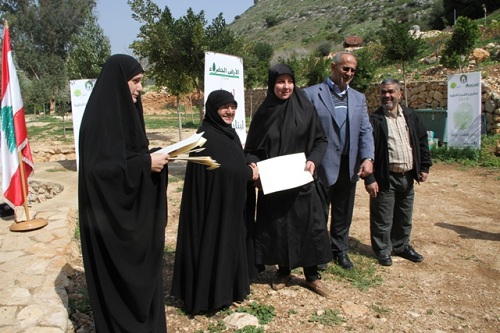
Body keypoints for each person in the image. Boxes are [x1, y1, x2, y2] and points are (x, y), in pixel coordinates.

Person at [78, 54, 170, 332]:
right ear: (119, 82)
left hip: (132, 217)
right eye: (136, 81)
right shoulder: (98, 121)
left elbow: (130, 156)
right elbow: (97, 172)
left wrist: (153, 158)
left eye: (141, 81)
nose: (140, 88)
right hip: (109, 223)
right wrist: (145, 164)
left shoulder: (129, 114)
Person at [245, 63, 332, 297]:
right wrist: (254, 165)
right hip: (274, 183)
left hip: (301, 180)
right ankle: (283, 271)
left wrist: (314, 160)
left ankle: (312, 276)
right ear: (272, 84)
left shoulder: (306, 108)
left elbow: (321, 140)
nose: (285, 87)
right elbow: (251, 149)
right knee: (278, 227)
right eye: (280, 82)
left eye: (289, 81)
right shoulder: (264, 113)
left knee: (308, 226)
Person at [171, 90, 259, 314]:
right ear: (212, 109)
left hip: (226, 205)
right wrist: (248, 174)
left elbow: (235, 158)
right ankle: (209, 297)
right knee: (212, 244)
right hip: (211, 208)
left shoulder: (229, 134)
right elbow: (222, 171)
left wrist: (248, 161)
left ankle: (228, 290)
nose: (230, 111)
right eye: (224, 107)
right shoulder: (205, 136)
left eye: (233, 106)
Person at [303, 51, 375, 270]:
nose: (349, 73)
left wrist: (368, 157)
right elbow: (303, 130)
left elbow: (365, 130)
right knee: (319, 212)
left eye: (353, 70)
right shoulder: (311, 94)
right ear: (333, 67)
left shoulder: (359, 98)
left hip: (349, 164)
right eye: (346, 68)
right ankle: (319, 252)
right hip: (321, 165)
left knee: (344, 213)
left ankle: (340, 250)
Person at [364, 78, 432, 266]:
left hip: (408, 176)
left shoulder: (410, 116)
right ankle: (383, 250)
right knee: (382, 218)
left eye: (391, 92)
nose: (387, 95)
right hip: (385, 177)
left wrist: (424, 166)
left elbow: (421, 141)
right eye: (384, 92)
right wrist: (369, 178)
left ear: (400, 94)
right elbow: (366, 150)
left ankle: (401, 246)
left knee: (404, 216)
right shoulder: (374, 120)